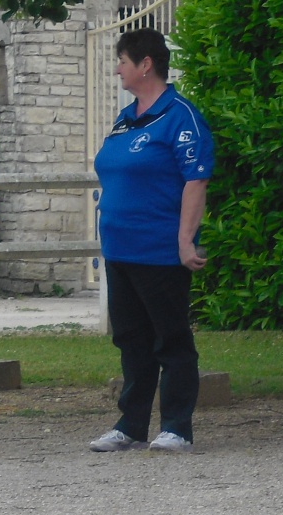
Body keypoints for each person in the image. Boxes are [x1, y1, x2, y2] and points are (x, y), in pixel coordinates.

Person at [90, 28, 214, 455]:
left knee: (170, 338)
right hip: (120, 249)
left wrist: (185, 241)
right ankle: (132, 423)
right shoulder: (126, 117)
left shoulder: (181, 116)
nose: (118, 68)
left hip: (159, 251)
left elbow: (195, 180)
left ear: (146, 64)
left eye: (123, 60)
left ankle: (177, 426)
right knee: (131, 339)